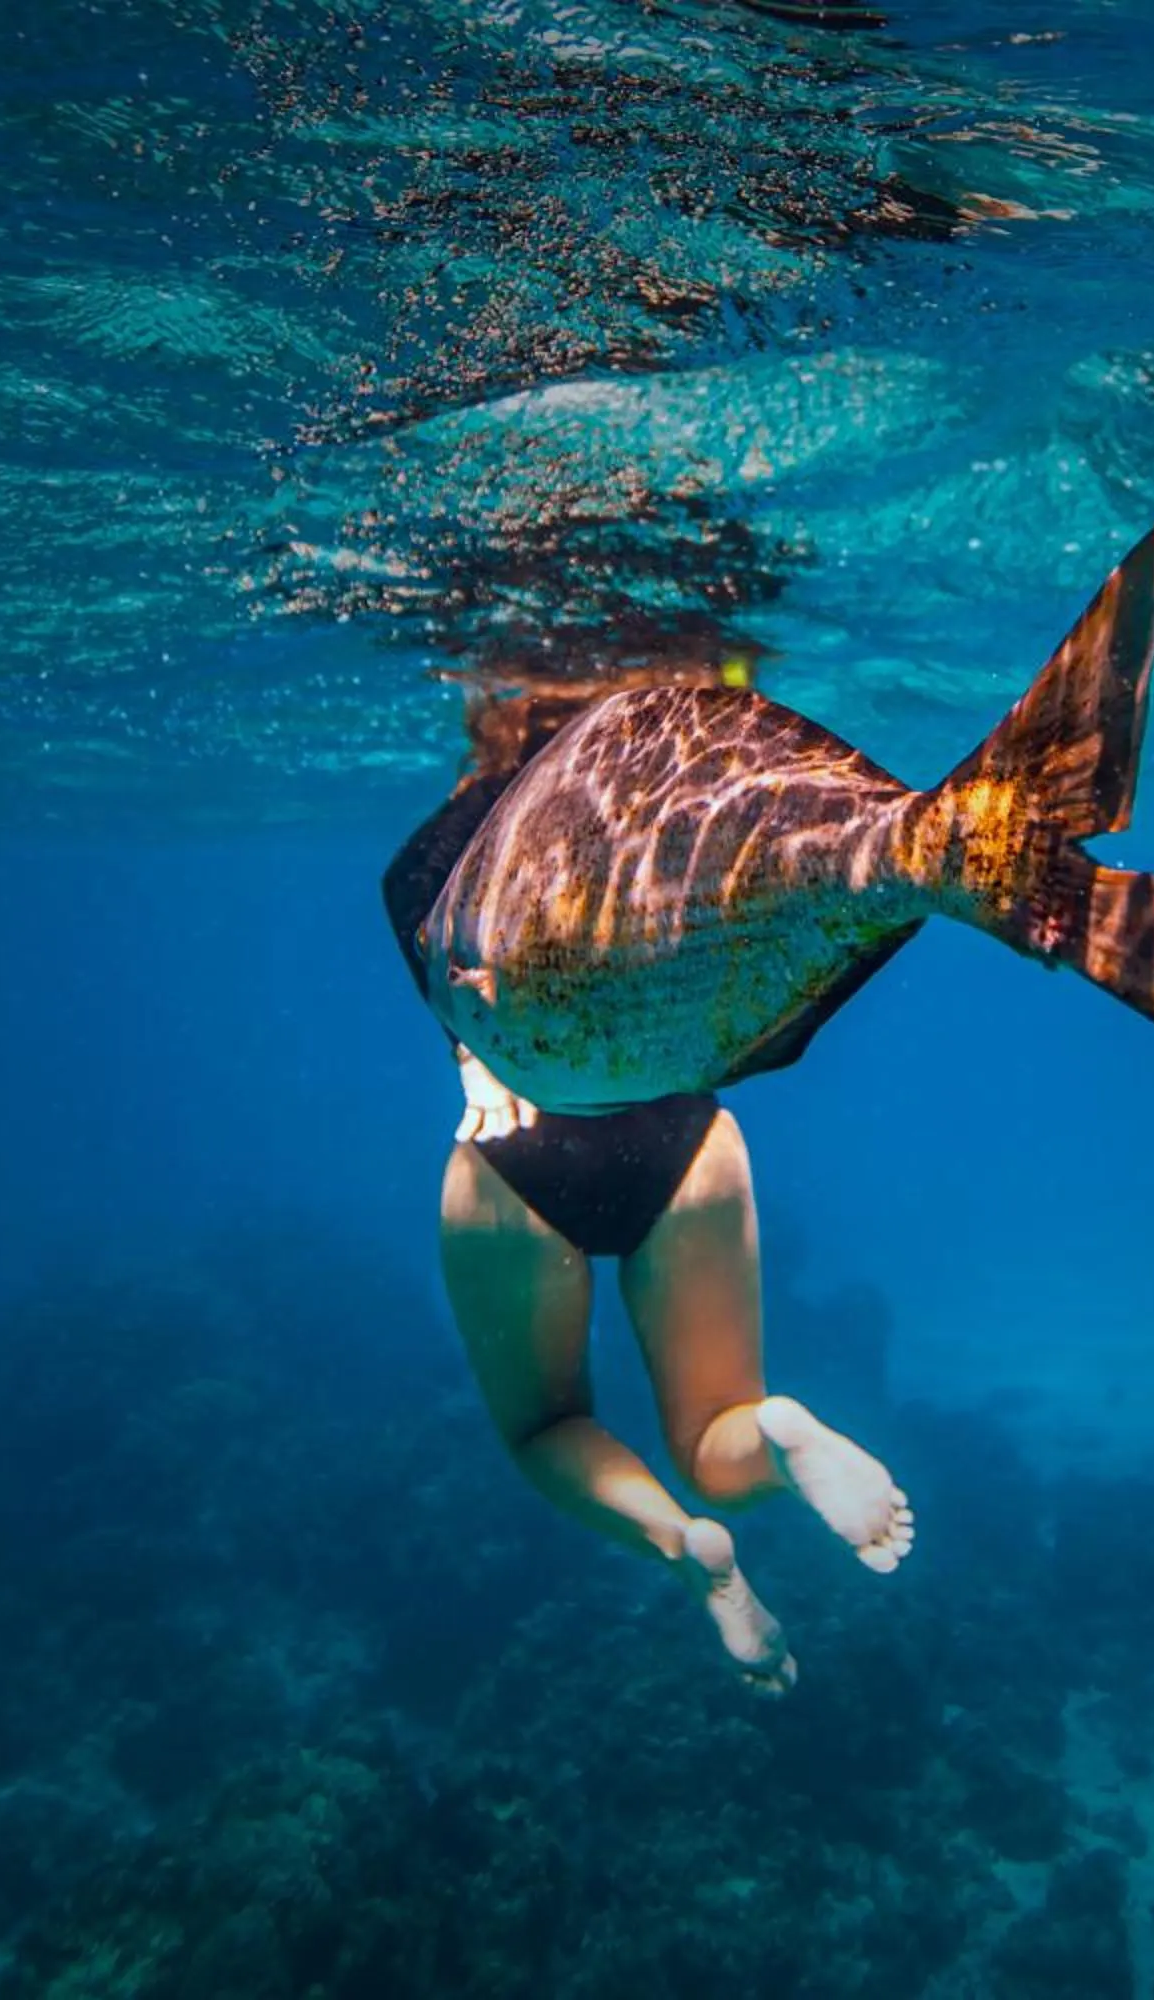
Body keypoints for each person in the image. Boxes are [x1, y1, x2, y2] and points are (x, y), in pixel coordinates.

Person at [382, 639, 914, 1694]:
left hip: (509, 1161)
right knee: (718, 1427)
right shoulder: (676, 806)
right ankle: (781, 1430)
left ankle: (685, 1548)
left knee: (547, 1425)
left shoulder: (458, 833)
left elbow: (426, 922)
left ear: (505, 717)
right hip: (681, 1140)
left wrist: (469, 1050)